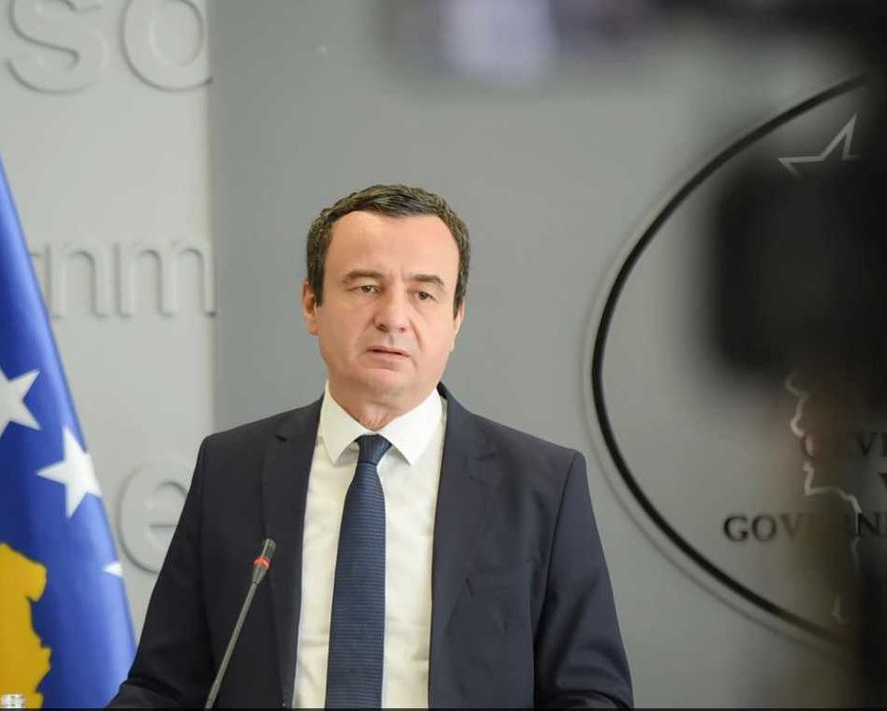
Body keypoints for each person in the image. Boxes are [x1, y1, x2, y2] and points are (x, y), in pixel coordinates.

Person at [109, 184, 632, 708]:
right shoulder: (231, 470)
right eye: (366, 287)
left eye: (423, 294)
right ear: (311, 304)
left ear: (455, 319)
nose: (394, 317)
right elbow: (164, 688)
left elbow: (591, 695)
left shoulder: (542, 485)